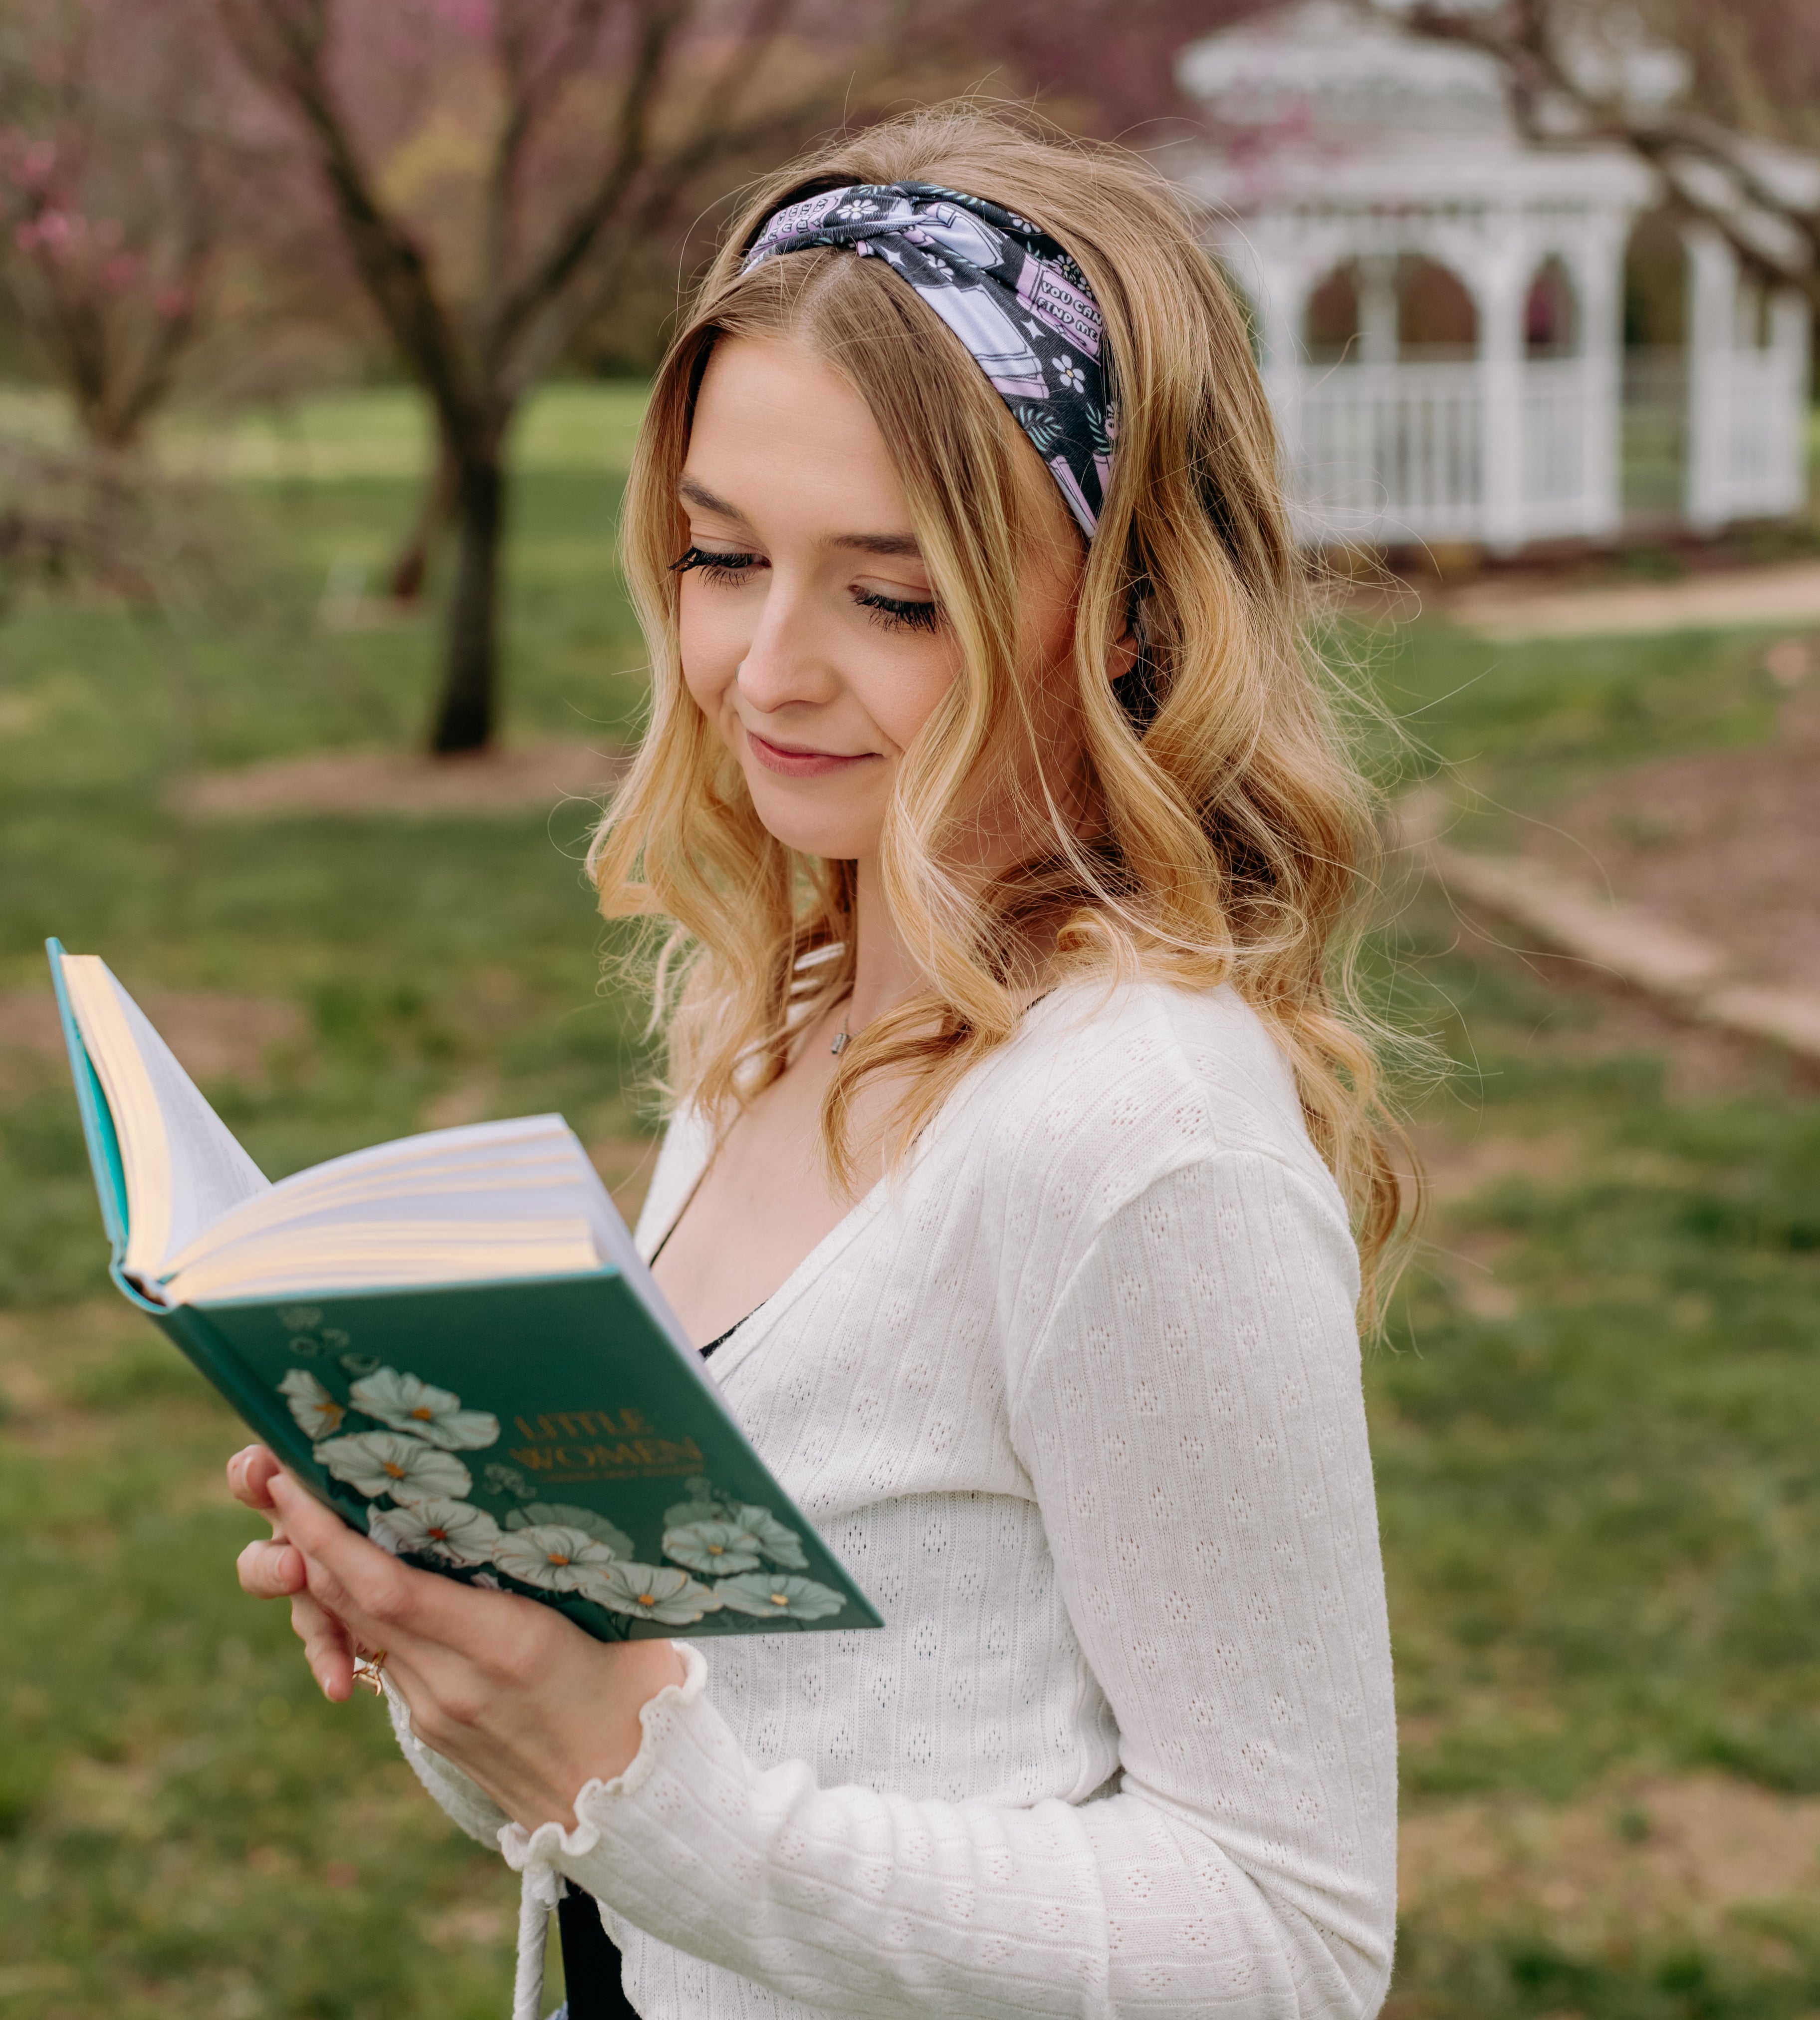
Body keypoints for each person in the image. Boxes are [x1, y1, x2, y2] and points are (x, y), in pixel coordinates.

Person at [229, 109, 1406, 2020]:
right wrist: (468, 1647)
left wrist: (636, 1783)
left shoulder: (1137, 1132)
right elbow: (691, 1754)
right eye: (718, 556)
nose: (766, 668)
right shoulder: (775, 1022)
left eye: (893, 593)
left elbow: (1288, 1940)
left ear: (1130, 616)